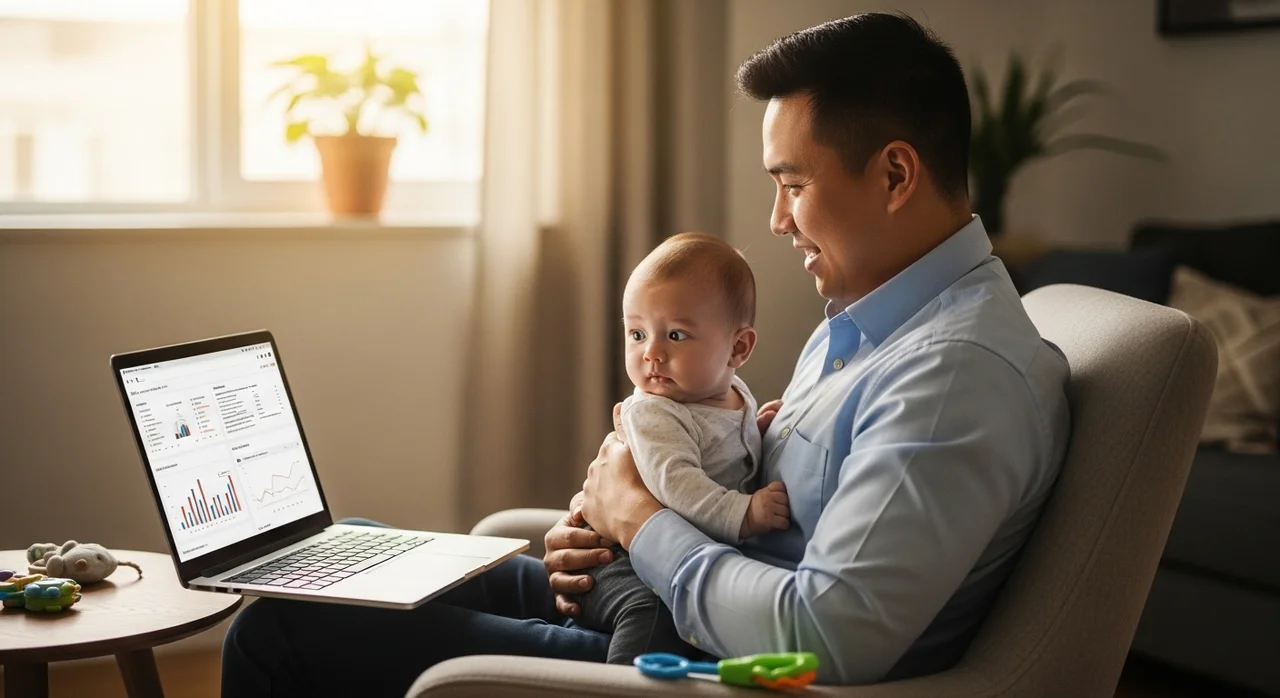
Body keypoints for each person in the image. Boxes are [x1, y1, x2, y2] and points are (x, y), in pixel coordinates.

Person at [221, 13, 1070, 696]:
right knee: (350, 554)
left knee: (281, 628)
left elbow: (820, 636)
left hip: (692, 664)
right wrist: (604, 523)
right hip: (661, 596)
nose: (777, 220)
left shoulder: (952, 376)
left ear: (894, 176)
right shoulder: (871, 321)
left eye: (793, 185)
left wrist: (638, 520)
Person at [573, 232, 790, 665]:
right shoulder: (653, 411)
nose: (651, 353)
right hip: (620, 560)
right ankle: (624, 684)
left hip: (670, 555)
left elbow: (718, 447)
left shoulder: (730, 393)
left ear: (738, 348)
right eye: (637, 334)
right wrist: (745, 513)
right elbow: (678, 484)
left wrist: (757, 431)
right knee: (652, 612)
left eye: (675, 334)